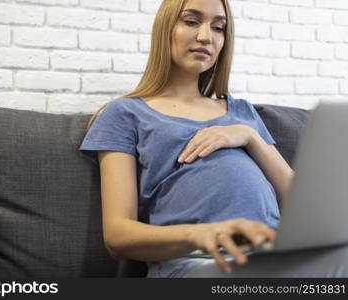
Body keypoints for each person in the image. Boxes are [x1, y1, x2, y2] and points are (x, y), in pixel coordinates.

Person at [78, 0, 348, 278]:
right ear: (165, 28)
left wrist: (249, 136)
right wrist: (204, 234)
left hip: (272, 254)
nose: (206, 36)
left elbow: (303, 202)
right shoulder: (125, 113)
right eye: (192, 21)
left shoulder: (242, 111)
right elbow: (118, 236)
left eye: (218, 27)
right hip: (198, 262)